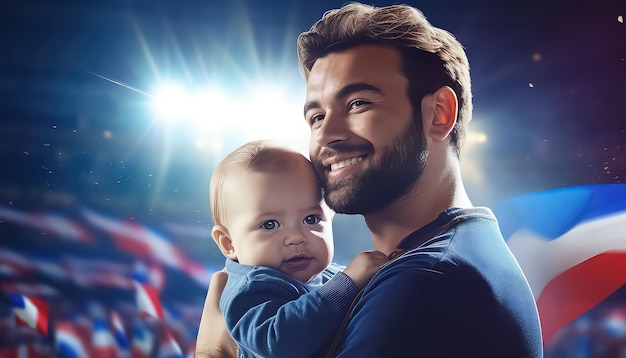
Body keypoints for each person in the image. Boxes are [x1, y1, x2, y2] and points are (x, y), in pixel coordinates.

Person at [197, 3, 543, 357]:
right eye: (316, 117)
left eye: (358, 103)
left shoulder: (422, 283)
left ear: (439, 113)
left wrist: (212, 352)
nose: (326, 135)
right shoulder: (460, 248)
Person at [207, 139, 388, 358]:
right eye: (270, 224)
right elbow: (281, 344)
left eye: (311, 219)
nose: (296, 237)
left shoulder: (331, 275)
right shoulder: (251, 290)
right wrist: (349, 283)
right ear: (229, 243)